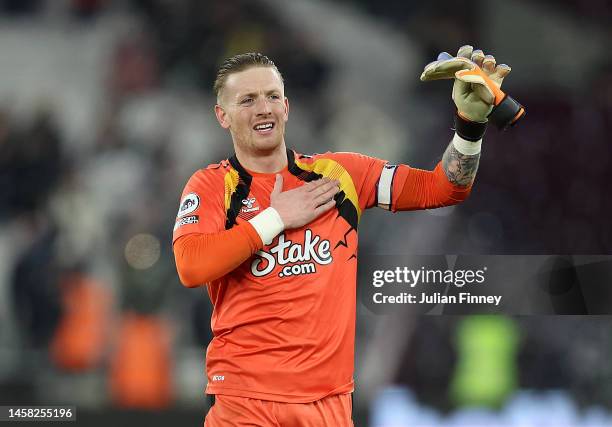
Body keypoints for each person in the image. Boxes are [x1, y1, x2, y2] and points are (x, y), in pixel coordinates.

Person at [173, 47, 523, 426]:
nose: (264, 108)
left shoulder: (340, 174)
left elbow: (442, 189)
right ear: (222, 116)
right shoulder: (212, 185)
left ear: (287, 107)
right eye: (247, 100)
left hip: (328, 407)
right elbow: (191, 266)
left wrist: (470, 126)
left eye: (272, 96)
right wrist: (275, 218)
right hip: (245, 403)